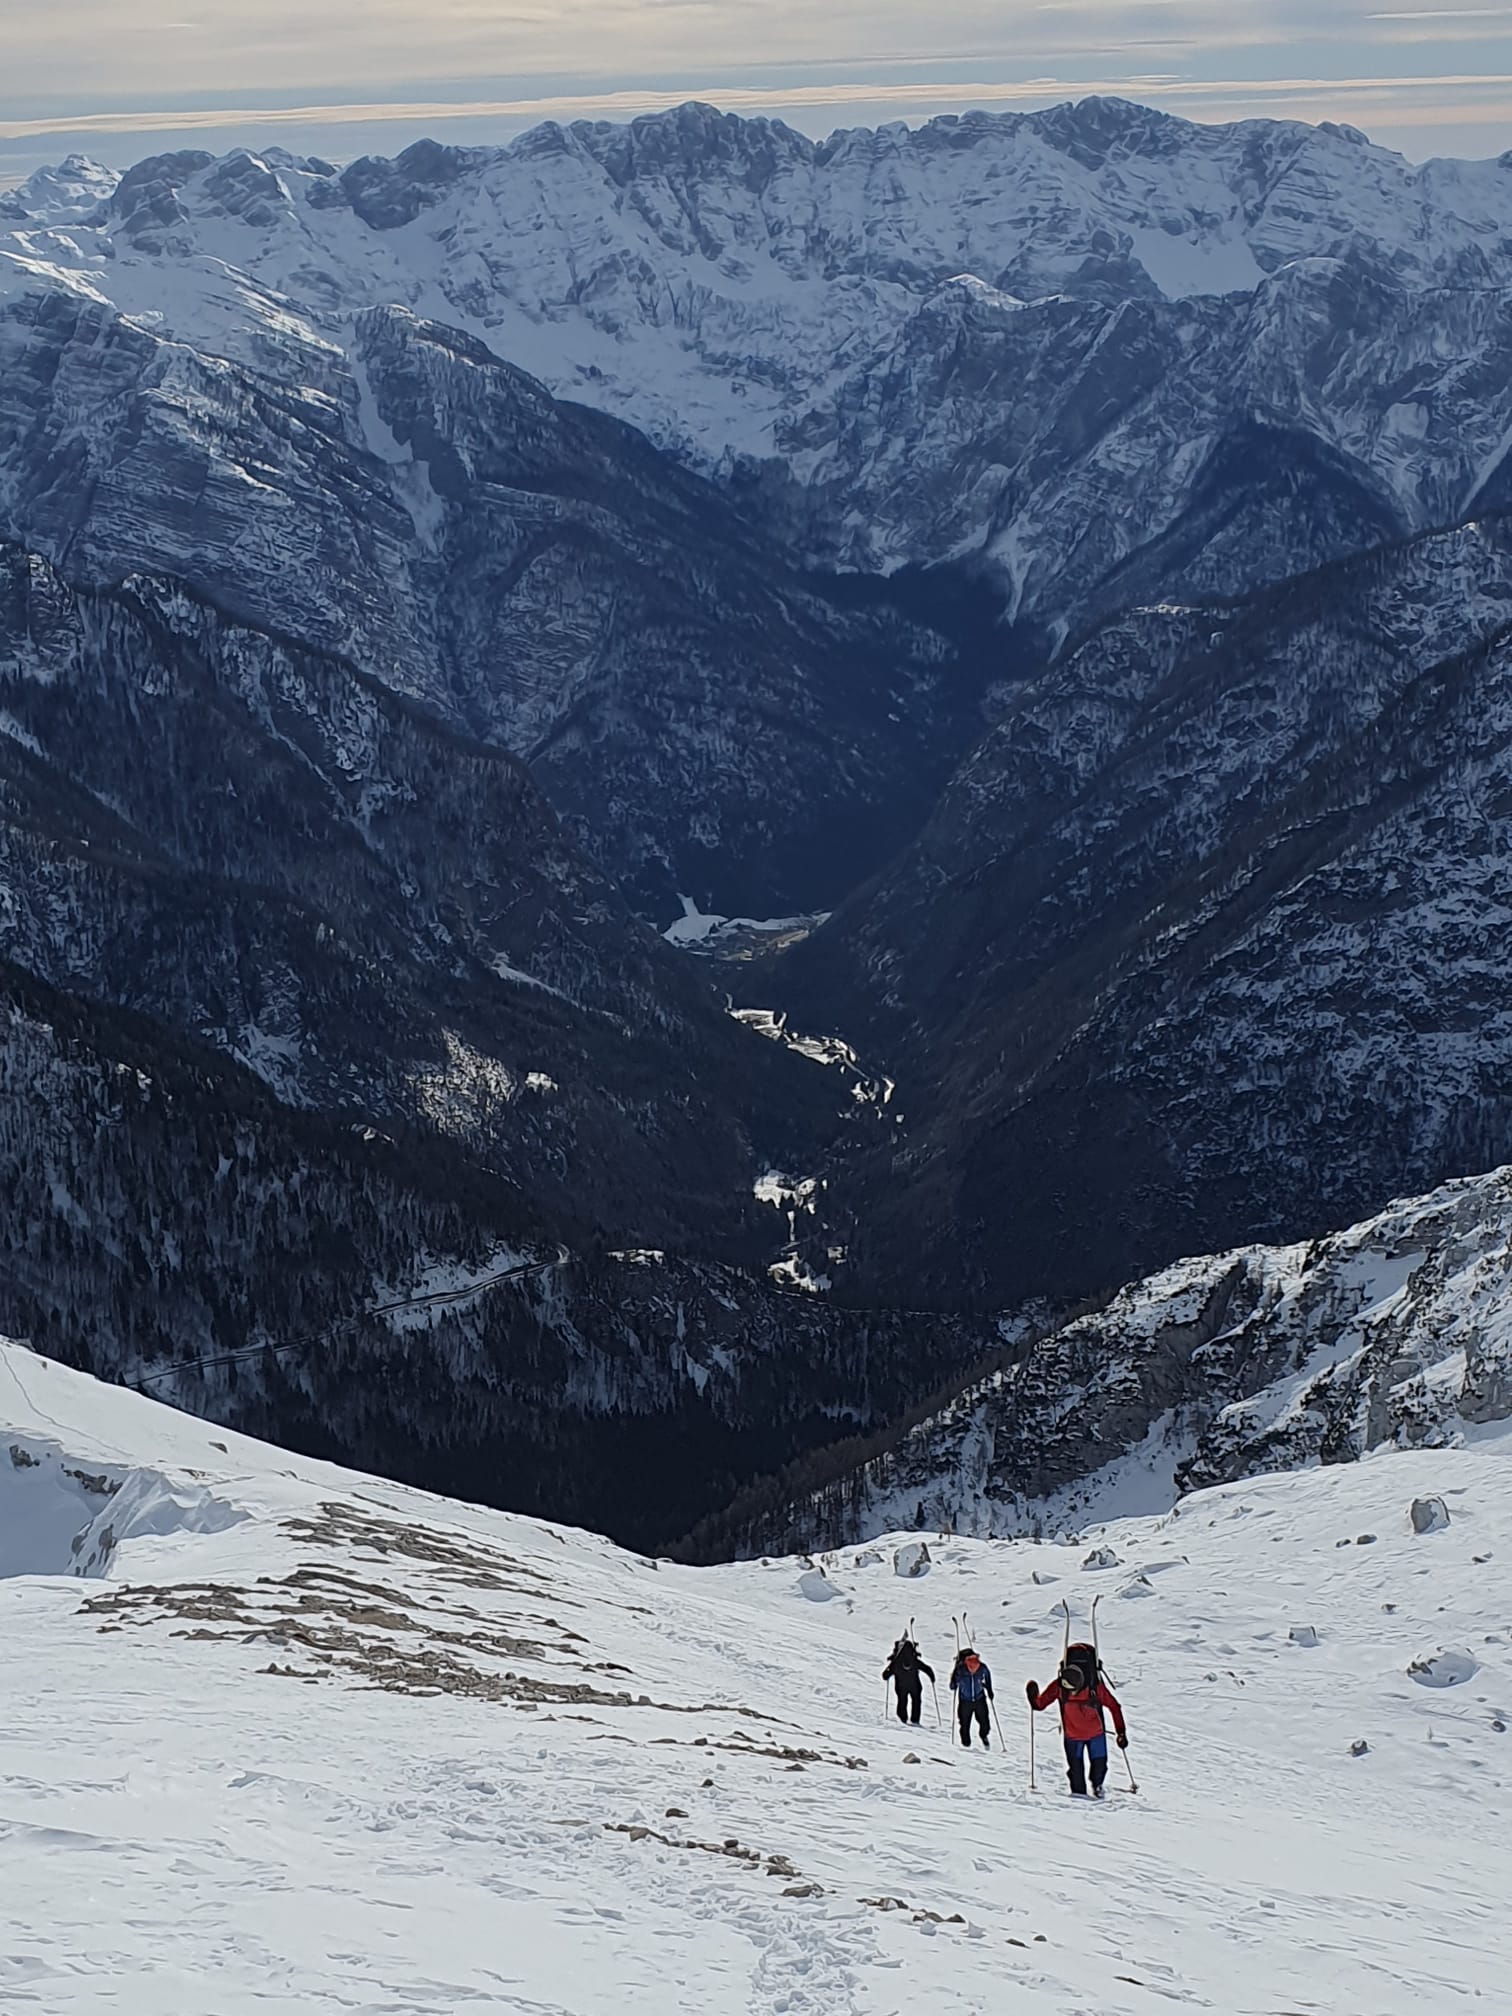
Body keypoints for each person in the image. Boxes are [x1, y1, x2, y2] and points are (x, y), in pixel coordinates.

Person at [1027, 1644, 1128, 1797]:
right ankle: (1086, 1795)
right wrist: (1120, 1732)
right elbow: (1114, 1707)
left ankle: (1091, 1790)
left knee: (1092, 1768)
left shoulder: (1083, 1687)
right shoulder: (1084, 1687)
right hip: (1085, 1735)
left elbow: (1039, 1704)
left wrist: (1033, 1696)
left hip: (1082, 1736)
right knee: (1081, 1770)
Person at [882, 1635, 935, 1724]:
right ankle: (915, 1720)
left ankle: (903, 1719)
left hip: (901, 1686)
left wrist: (887, 1673)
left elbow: (885, 1675)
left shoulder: (896, 1662)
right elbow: (927, 1669)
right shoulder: (914, 1660)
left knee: (902, 1701)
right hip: (915, 1685)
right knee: (916, 1701)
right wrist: (932, 1677)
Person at [949, 1646, 993, 1747]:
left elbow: (952, 1686)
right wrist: (989, 1689)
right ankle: (973, 1741)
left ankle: (975, 1740)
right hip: (972, 1699)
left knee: (974, 1723)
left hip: (973, 1699)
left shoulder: (965, 1669)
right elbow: (953, 1686)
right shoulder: (964, 1669)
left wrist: (989, 1689)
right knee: (972, 1723)